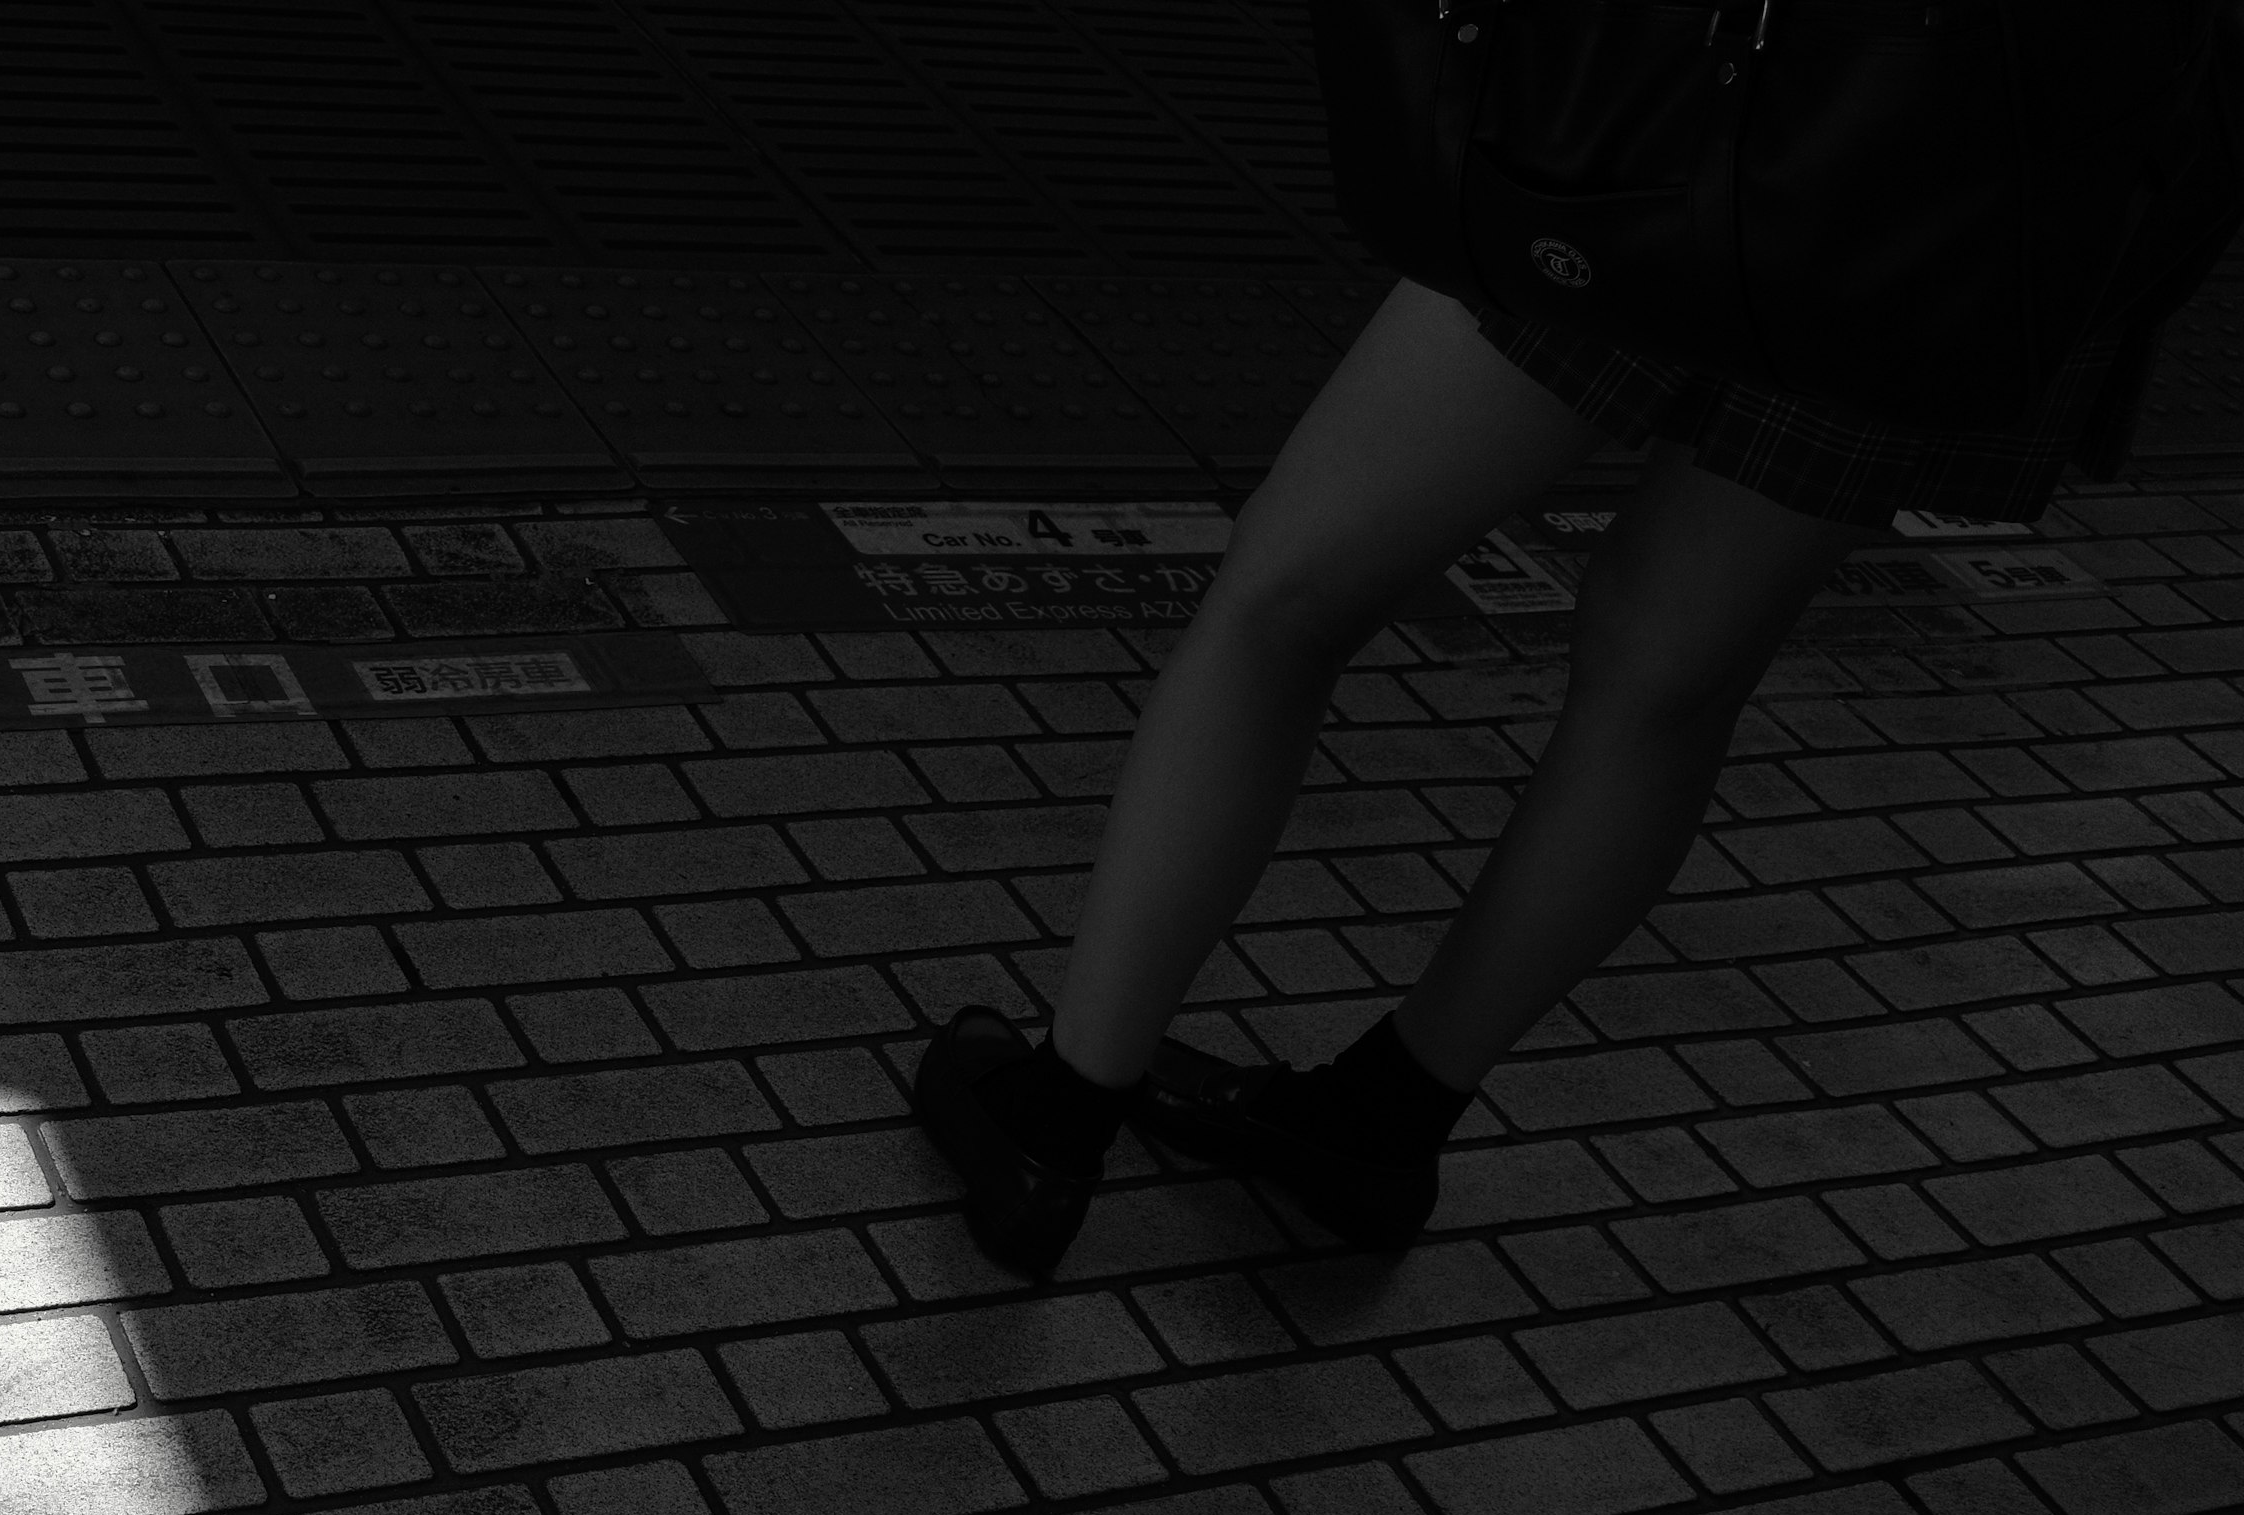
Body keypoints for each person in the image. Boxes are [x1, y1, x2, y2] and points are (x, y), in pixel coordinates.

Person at [913, 252, 2205, 1282]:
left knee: (1286, 594)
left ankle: (1057, 1118)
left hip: (1699, 127)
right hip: (1986, 218)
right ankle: (1379, 1128)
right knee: (1665, 687)